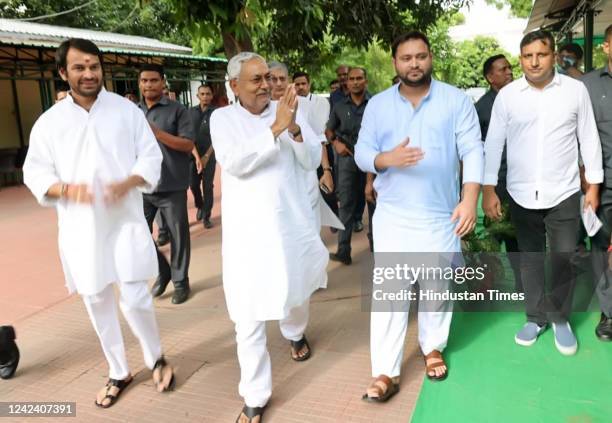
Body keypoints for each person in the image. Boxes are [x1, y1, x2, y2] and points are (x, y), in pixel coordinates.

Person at [22, 38, 175, 407]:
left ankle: (156, 357)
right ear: (63, 72)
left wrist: (129, 180)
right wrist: (68, 191)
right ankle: (118, 369)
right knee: (97, 299)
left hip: (124, 220)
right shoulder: (49, 123)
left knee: (136, 297)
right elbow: (35, 172)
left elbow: (150, 156)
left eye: (94, 66)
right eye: (79, 67)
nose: (89, 74)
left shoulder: (126, 111)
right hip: (80, 229)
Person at [356, 31, 483, 401]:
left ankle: (433, 347)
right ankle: (385, 370)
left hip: (441, 215)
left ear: (430, 59)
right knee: (390, 294)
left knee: (436, 289)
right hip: (394, 216)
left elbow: (473, 149)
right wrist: (385, 160)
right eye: (407, 58)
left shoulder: (456, 100)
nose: (415, 63)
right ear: (395, 63)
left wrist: (469, 199)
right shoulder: (378, 105)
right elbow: (363, 151)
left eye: (421, 56)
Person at [210, 52, 328, 423]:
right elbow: (235, 162)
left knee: (295, 294)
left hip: (290, 227)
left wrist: (293, 129)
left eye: (268, 77)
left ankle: (295, 333)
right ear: (234, 86)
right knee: (247, 316)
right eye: (256, 79)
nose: (266, 85)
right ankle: (255, 395)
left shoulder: (291, 113)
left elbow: (311, 159)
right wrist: (276, 128)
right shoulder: (223, 118)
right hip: (247, 237)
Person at [483, 30, 602, 355]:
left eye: (541, 54)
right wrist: (488, 188)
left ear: (552, 56)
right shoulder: (508, 96)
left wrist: (593, 186)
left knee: (563, 258)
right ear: (521, 59)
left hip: (563, 191)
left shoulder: (575, 91)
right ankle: (536, 318)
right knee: (530, 260)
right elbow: (493, 142)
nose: (534, 61)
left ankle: (560, 318)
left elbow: (588, 138)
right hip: (520, 192)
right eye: (527, 56)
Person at [138, 64, 195, 305]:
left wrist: (157, 133)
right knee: (137, 232)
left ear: (163, 82)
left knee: (178, 235)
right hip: (141, 184)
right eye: (144, 81)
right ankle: (164, 271)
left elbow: (187, 144)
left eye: (153, 80)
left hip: (172, 182)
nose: (148, 85)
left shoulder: (178, 110)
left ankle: (181, 282)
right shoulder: (132, 111)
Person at [474, 54, 522, 292]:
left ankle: (523, 284)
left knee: (518, 234)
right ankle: (486, 283)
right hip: (499, 182)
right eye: (502, 70)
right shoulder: (482, 108)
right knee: (495, 234)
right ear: (490, 77)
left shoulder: (520, 98)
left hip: (522, 179)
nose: (509, 72)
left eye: (510, 68)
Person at [582, 23, 612, 341]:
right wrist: (589, 185)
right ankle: (609, 313)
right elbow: (580, 138)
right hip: (604, 186)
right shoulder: (588, 86)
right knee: (603, 249)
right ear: (606, 47)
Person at [326, 67, 371, 265]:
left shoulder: (376, 104)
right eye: (351, 79)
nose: (355, 82)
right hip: (347, 160)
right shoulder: (339, 106)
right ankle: (344, 250)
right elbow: (328, 131)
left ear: (365, 81)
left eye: (359, 78)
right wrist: (336, 143)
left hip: (371, 159)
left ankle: (378, 247)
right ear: (347, 82)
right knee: (346, 204)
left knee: (375, 203)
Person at [189, 83, 217, 229]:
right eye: (202, 94)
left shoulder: (217, 113)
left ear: (212, 96)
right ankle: (199, 205)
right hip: (192, 156)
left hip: (209, 155)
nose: (205, 96)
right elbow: (187, 134)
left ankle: (206, 216)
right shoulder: (190, 112)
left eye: (208, 94)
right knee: (193, 184)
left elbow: (218, 137)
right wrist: (196, 156)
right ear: (197, 96)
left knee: (207, 186)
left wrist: (206, 156)